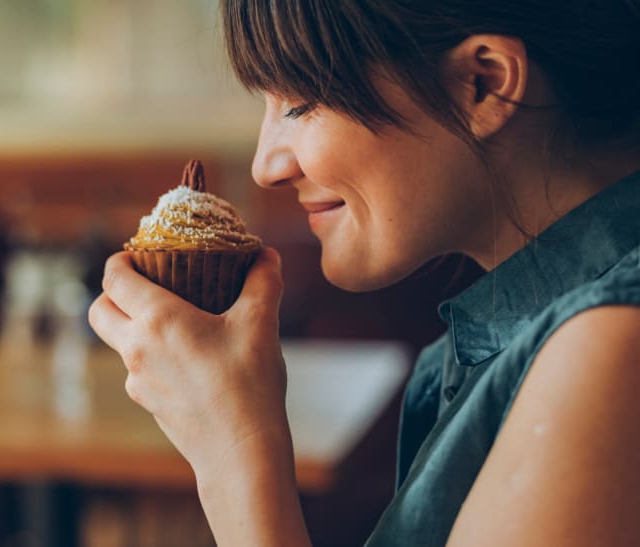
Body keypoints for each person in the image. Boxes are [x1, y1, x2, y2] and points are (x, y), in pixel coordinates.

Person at [89, 0, 640, 545]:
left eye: (301, 103)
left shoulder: (611, 348)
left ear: (484, 83)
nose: (266, 166)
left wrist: (233, 447)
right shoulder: (506, 336)